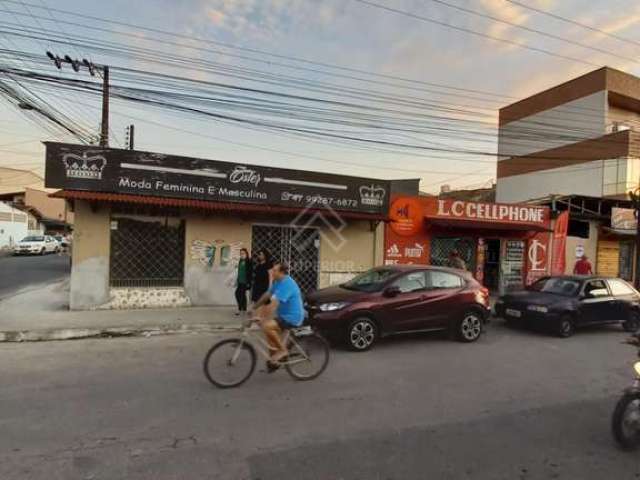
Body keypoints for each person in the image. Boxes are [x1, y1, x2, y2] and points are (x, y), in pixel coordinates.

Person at [251, 263, 304, 368]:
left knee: (267, 326)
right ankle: (275, 362)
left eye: (274, 270)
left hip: (292, 317)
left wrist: (261, 317)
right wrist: (254, 308)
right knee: (269, 334)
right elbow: (267, 295)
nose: (272, 272)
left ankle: (283, 351)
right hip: (283, 316)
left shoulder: (287, 284)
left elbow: (273, 304)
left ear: (281, 272)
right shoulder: (278, 282)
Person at [234, 248, 253, 316]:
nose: (242, 255)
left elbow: (250, 272)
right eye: (240, 253)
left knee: (242, 295)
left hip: (246, 281)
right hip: (240, 280)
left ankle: (242, 309)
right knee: (237, 294)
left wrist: (249, 282)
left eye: (243, 253)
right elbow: (239, 271)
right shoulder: (240, 261)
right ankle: (242, 308)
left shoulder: (249, 261)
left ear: (246, 253)